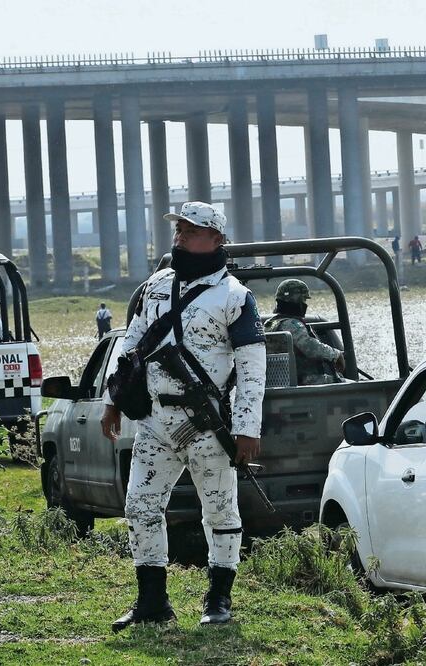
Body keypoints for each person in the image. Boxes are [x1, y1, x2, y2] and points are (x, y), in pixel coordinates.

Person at [101, 201, 266, 631]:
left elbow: (252, 370)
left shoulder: (235, 297)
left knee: (220, 511)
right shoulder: (155, 286)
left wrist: (247, 429)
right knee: (139, 506)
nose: (180, 236)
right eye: (179, 229)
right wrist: (111, 400)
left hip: (208, 424)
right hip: (155, 421)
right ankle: (151, 602)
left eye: (190, 230)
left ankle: (218, 600)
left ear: (216, 240)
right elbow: (130, 345)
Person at [264, 279, 345, 385]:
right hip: (303, 381)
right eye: (303, 300)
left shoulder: (269, 324)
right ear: (297, 301)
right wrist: (335, 354)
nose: (304, 304)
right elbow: (311, 348)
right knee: (345, 382)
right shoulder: (292, 325)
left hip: (277, 381)